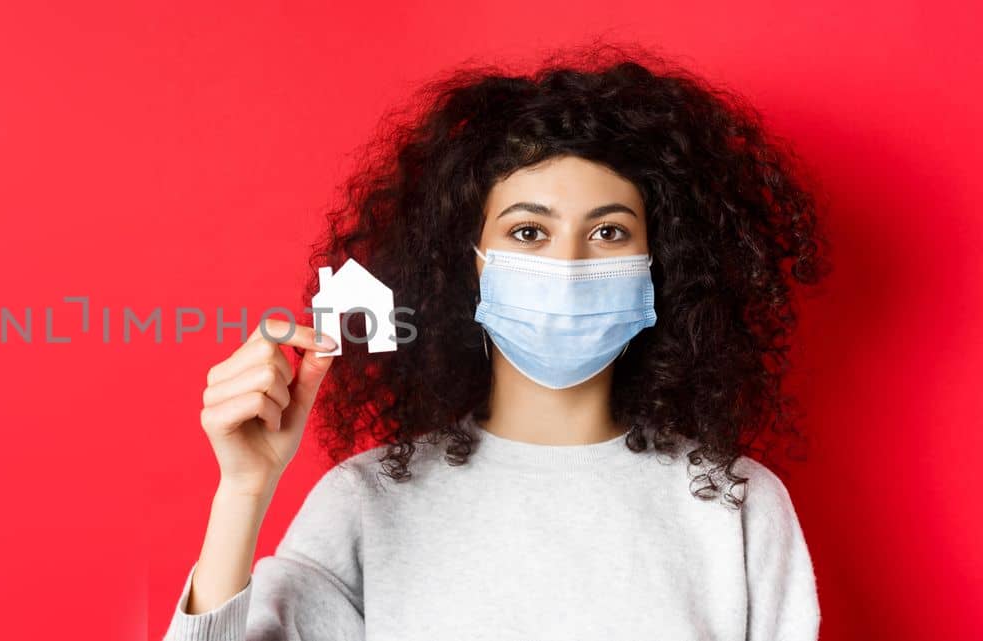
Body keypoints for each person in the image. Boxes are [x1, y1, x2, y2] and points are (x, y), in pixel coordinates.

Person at [164, 45, 830, 641]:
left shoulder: (732, 503)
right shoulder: (368, 501)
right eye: (528, 233)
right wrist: (243, 492)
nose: (567, 264)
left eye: (608, 233)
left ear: (661, 265)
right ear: (470, 261)